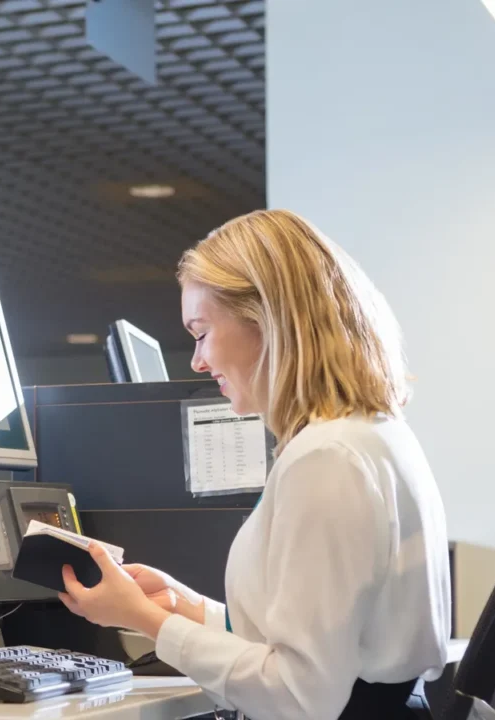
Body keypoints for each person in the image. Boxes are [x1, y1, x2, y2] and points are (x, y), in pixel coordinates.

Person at [58, 209, 451, 720]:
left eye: (201, 332)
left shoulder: (326, 459)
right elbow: (317, 647)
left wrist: (150, 624)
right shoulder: (369, 432)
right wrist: (182, 606)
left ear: (265, 319)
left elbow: (299, 695)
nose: (197, 361)